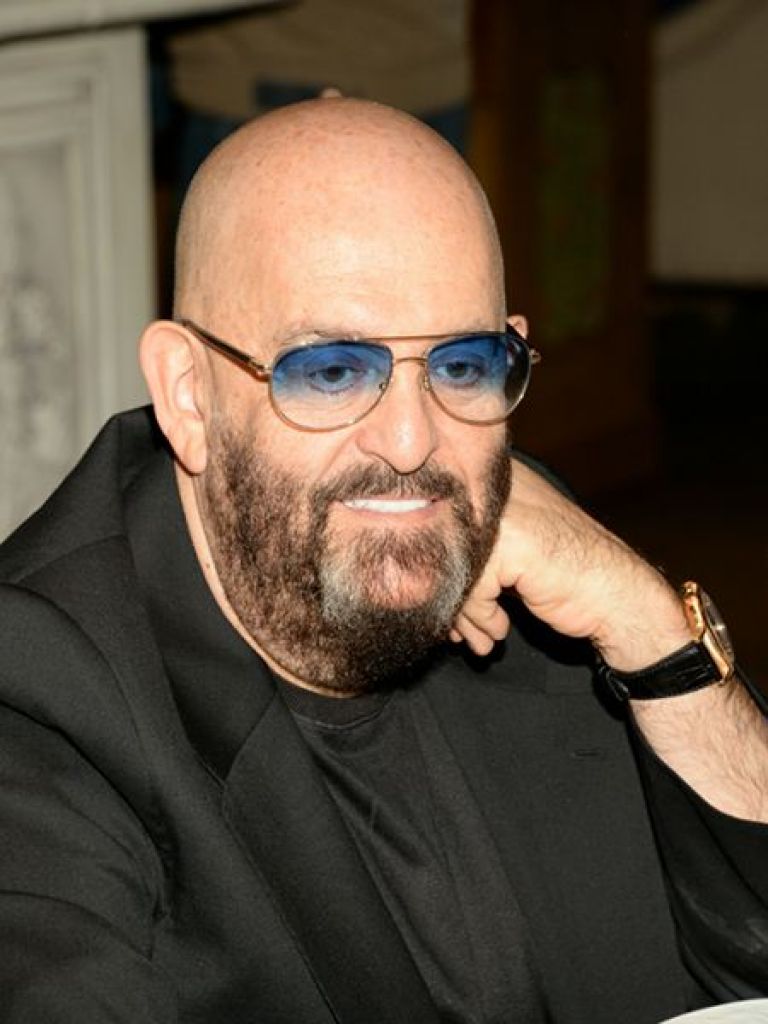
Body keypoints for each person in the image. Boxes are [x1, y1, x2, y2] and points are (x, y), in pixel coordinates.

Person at [1, 97, 767, 1024]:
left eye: (462, 364)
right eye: (331, 370)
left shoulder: (533, 559)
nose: (412, 443)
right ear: (189, 394)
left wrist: (648, 625)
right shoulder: (36, 702)